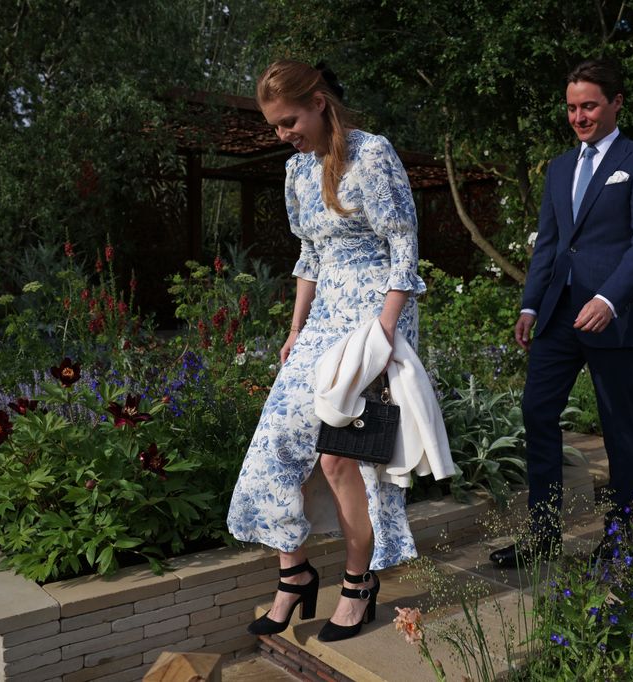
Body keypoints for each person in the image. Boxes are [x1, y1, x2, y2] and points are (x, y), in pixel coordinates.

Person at [226, 60, 431, 642]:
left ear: (318, 103)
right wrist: (295, 329)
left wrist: (386, 332)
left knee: (345, 461)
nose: (282, 134)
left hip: (374, 322)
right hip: (320, 326)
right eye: (274, 125)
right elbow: (309, 256)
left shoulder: (373, 153)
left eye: (288, 121)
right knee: (273, 449)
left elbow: (403, 246)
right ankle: (294, 575)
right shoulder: (296, 171)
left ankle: (359, 584)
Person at [489, 58, 633, 568]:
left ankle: (621, 534)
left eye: (589, 105)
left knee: (618, 426)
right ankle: (544, 534)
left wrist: (609, 299)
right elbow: (549, 244)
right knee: (536, 413)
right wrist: (530, 303)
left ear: (616, 103)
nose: (579, 117)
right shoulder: (561, 167)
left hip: (615, 315)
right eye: (571, 108)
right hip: (557, 315)